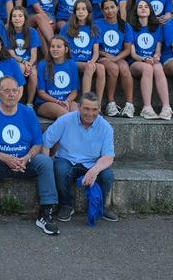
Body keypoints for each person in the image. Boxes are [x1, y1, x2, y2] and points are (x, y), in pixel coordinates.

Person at [0, 76, 60, 236]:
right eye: (6, 91)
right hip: (0, 164)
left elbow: (37, 143)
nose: (11, 94)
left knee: (45, 161)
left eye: (15, 90)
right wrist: (6, 158)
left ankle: (46, 213)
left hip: (24, 163)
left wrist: (27, 157)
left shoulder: (28, 113)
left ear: (20, 93)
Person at [43, 92, 118, 223]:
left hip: (93, 163)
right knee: (59, 168)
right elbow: (46, 142)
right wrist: (46, 166)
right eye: (86, 109)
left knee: (107, 175)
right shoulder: (65, 120)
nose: (90, 113)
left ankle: (100, 206)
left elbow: (108, 157)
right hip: (67, 161)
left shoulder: (106, 127)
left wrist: (94, 171)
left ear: (99, 109)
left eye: (95, 109)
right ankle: (65, 205)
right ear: (79, 107)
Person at [128, 0, 172, 120]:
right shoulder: (131, 27)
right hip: (136, 62)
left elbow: (158, 49)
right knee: (148, 68)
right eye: (140, 7)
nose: (143, 8)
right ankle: (147, 107)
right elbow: (132, 54)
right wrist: (144, 59)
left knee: (158, 67)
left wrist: (156, 56)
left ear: (150, 10)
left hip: (152, 61)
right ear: (136, 11)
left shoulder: (157, 27)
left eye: (146, 7)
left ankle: (166, 107)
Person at [59, 0, 106, 102]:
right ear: (74, 11)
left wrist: (92, 61)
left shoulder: (94, 28)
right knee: (89, 67)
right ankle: (85, 102)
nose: (80, 12)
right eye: (78, 9)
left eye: (84, 9)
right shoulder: (67, 27)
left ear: (88, 11)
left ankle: (98, 105)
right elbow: (61, 46)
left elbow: (96, 52)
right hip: (72, 61)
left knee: (101, 68)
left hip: (88, 61)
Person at [96, 0, 135, 117]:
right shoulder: (97, 24)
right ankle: (110, 103)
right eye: (106, 8)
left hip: (119, 56)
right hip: (102, 56)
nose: (110, 10)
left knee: (124, 67)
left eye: (112, 7)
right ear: (102, 11)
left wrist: (116, 58)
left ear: (118, 8)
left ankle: (129, 104)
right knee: (113, 68)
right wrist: (107, 55)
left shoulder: (124, 25)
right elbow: (95, 47)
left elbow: (128, 49)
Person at [35, 36, 80, 120]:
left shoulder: (72, 64)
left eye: (58, 47)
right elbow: (41, 93)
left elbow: (74, 91)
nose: (55, 49)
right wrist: (58, 102)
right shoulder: (42, 64)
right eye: (52, 46)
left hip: (66, 100)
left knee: (76, 114)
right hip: (46, 102)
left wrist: (67, 101)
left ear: (66, 50)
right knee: (64, 114)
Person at [5, 7, 41, 106]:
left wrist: (29, 64)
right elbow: (11, 53)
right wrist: (23, 62)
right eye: (14, 16)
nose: (17, 18)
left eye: (20, 16)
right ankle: (16, 100)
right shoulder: (7, 32)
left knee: (33, 74)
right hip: (14, 61)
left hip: (30, 62)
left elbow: (34, 55)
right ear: (11, 19)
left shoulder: (32, 32)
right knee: (19, 67)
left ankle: (29, 103)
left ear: (25, 18)